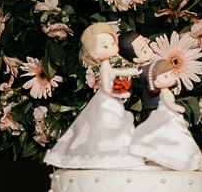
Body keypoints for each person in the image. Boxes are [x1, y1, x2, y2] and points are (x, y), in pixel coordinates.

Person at [44, 22, 144, 170]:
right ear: (94, 53)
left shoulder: (107, 66)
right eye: (105, 46)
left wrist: (132, 72)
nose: (112, 48)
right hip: (106, 101)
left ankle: (117, 156)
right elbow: (106, 86)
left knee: (114, 127)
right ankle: (104, 155)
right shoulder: (104, 69)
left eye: (112, 43)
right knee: (107, 127)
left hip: (110, 100)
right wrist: (120, 92)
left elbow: (117, 72)